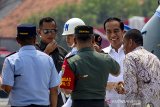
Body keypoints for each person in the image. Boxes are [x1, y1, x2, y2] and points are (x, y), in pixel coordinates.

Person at [0, 24, 60, 107]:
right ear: (35, 40)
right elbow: (54, 90)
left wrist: (2, 81)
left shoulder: (11, 60)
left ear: (17, 40)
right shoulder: (47, 59)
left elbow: (7, 88)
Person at [60, 25, 120, 107]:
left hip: (78, 104)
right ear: (93, 40)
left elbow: (66, 90)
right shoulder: (105, 58)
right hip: (100, 104)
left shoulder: (70, 61)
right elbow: (117, 71)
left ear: (75, 40)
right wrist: (101, 54)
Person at [117, 29, 160, 107]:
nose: (123, 48)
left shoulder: (130, 57)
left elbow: (131, 89)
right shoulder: (154, 58)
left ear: (130, 42)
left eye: (124, 43)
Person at [37, 17, 68, 107]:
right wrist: (46, 52)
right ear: (39, 32)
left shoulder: (62, 52)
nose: (50, 34)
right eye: (46, 31)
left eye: (53, 31)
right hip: (40, 97)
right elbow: (33, 69)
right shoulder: (35, 50)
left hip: (60, 98)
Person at [61, 18, 85, 107]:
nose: (67, 39)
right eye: (66, 36)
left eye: (70, 35)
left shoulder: (70, 57)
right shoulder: (69, 55)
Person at [102, 17, 125, 107]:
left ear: (122, 32)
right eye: (109, 32)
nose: (112, 35)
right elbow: (97, 82)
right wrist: (114, 85)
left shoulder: (132, 53)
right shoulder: (102, 55)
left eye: (116, 31)